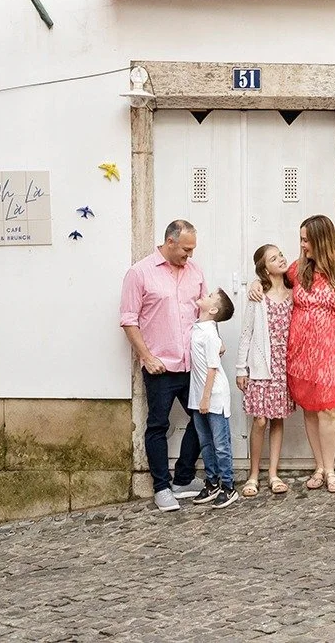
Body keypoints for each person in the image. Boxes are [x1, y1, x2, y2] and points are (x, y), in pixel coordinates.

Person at [249, 214, 335, 494]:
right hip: (301, 351)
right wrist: (256, 283)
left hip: (332, 350)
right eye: (301, 240)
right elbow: (272, 279)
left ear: (320, 240)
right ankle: (320, 467)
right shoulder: (298, 270)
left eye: (305, 240)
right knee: (310, 410)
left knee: (328, 410)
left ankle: (331, 469)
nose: (301, 245)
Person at [119, 219, 206, 512]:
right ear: (170, 242)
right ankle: (161, 487)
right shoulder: (139, 273)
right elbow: (129, 319)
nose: (189, 255)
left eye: (192, 250)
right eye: (185, 249)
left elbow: (205, 313)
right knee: (158, 425)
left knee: (203, 419)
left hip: (192, 364)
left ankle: (183, 478)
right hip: (160, 366)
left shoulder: (195, 272)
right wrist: (147, 357)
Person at [236, 243, 294, 498]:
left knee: (278, 418)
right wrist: (241, 368)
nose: (281, 259)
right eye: (273, 258)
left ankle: (273, 473)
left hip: (285, 365)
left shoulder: (294, 293)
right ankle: (253, 474)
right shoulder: (258, 296)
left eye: (280, 255)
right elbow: (246, 333)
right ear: (265, 269)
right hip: (261, 366)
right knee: (260, 420)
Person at [189, 287, 239, 508]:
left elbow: (212, 367)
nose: (205, 294)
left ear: (213, 309)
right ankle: (212, 482)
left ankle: (228, 485)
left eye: (210, 296)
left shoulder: (209, 334)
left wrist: (206, 398)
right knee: (205, 442)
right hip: (198, 394)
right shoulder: (200, 327)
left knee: (220, 444)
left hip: (213, 394)